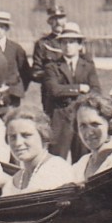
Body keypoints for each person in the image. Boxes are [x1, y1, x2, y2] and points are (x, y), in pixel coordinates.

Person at [41, 24, 100, 159]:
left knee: (83, 159)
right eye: (64, 42)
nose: (68, 46)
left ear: (79, 45)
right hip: (59, 118)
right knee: (56, 159)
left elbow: (96, 91)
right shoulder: (52, 67)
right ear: (60, 46)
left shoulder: (88, 66)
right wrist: (79, 88)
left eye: (72, 42)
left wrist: (69, 92)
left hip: (82, 118)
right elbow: (54, 90)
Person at [2, 111, 75, 195]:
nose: (18, 142)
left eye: (26, 135)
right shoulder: (13, 182)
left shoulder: (57, 168)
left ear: (43, 136)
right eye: (12, 137)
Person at [70, 93, 112, 180]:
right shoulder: (81, 164)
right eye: (83, 126)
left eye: (95, 124)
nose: (89, 132)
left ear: (110, 124)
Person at [32, 6, 70, 74]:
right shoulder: (42, 44)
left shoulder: (74, 42)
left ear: (66, 20)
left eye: (61, 18)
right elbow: (36, 71)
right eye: (54, 19)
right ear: (49, 22)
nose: (58, 22)